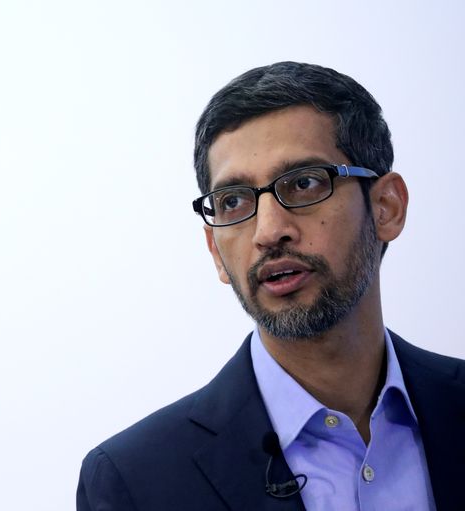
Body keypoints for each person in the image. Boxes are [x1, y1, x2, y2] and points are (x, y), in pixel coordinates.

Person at [76, 62, 465, 511]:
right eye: (234, 201)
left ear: (386, 208)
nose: (268, 231)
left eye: (303, 183)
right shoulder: (136, 482)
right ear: (215, 250)